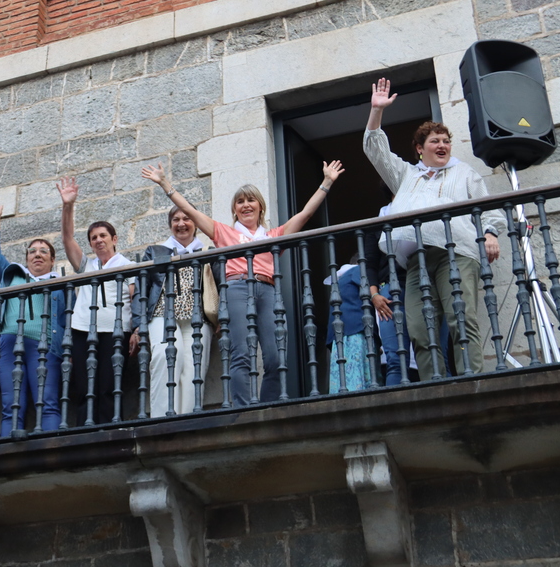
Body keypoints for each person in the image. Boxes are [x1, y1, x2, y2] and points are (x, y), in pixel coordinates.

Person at [142, 161, 343, 405]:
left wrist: (327, 182)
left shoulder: (273, 236)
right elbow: (190, 211)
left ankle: (268, 407)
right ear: (235, 210)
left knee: (276, 357)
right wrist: (164, 183)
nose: (246, 204)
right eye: (240, 201)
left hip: (268, 290)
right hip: (236, 290)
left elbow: (305, 215)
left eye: (251, 200)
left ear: (260, 207)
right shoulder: (224, 232)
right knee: (241, 355)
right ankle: (244, 409)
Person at [364, 77, 507, 379]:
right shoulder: (406, 175)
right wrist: (377, 111)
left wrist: (491, 233)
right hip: (416, 260)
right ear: (420, 149)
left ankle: (472, 379)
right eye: (435, 141)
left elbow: (488, 209)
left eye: (446, 141)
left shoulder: (464, 173)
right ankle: (435, 385)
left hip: (457, 254)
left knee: (460, 318)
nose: (442, 145)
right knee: (419, 327)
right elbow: (376, 151)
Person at [57, 177, 136, 426]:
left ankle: (109, 431)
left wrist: (136, 330)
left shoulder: (129, 265)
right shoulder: (86, 265)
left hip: (116, 331)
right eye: (93, 237)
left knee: (109, 385)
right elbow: (67, 238)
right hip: (83, 331)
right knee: (84, 385)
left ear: (114, 239)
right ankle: (85, 431)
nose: (98, 240)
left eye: (103, 235)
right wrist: (68, 205)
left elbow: (135, 298)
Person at [0, 206, 65, 435]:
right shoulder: (12, 275)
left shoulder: (60, 285)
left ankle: (50, 448)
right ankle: (9, 450)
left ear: (52, 260)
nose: (37, 254)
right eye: (32, 251)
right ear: (26, 258)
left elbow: (67, 320)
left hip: (46, 345)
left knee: (47, 402)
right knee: (11, 405)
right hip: (9, 343)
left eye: (44, 251)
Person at [131, 206, 214, 417]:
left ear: (195, 224)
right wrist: (138, 325)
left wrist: (221, 318)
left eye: (187, 218)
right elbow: (141, 289)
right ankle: (162, 419)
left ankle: (187, 420)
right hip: (161, 313)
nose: (181, 223)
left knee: (194, 368)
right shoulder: (156, 251)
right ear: (170, 225)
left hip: (198, 317)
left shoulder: (206, 252)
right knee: (164, 357)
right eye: (176, 219)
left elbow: (218, 286)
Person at [324, 258, 376, 394]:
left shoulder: (340, 280)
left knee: (343, 377)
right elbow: (371, 294)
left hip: (339, 335)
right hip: (356, 330)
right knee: (359, 375)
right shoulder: (357, 271)